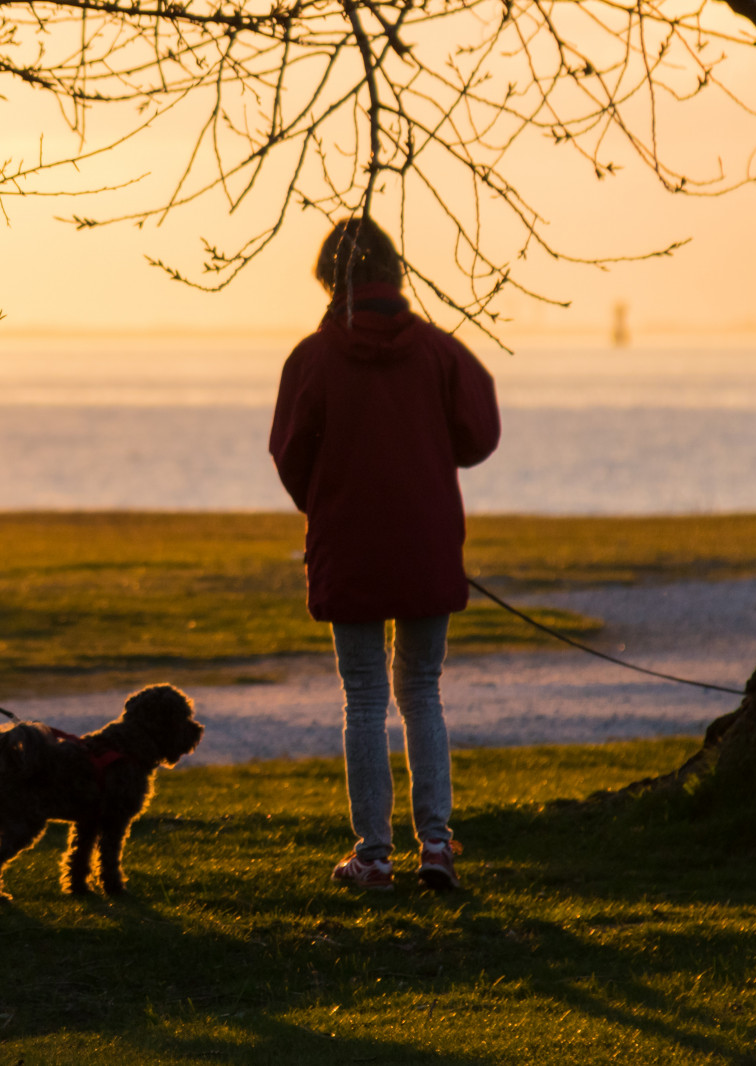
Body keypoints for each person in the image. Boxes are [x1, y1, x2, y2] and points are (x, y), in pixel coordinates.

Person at [269, 217, 500, 892]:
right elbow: (479, 434)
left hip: (350, 544)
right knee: (422, 692)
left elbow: (290, 454)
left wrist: (326, 500)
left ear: (330, 282)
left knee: (365, 697)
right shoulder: (438, 352)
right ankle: (436, 845)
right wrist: (430, 459)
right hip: (426, 542)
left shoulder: (312, 358)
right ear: (393, 275)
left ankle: (372, 854)